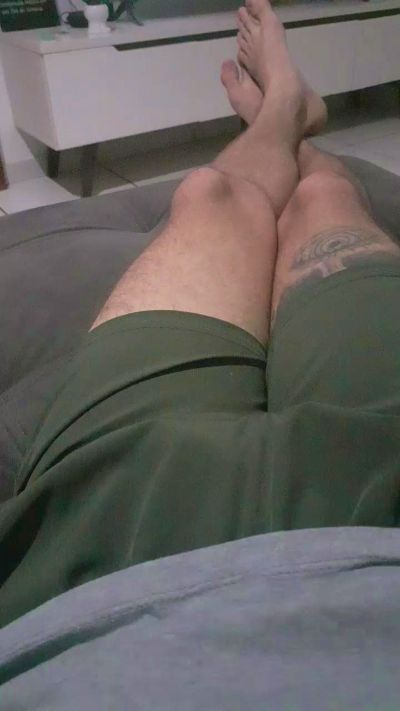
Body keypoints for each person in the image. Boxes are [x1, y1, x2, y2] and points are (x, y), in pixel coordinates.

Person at [1, 0, 400, 629]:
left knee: (209, 195)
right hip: (385, 474)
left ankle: (283, 113)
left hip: (94, 535)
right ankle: (288, 113)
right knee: (323, 196)